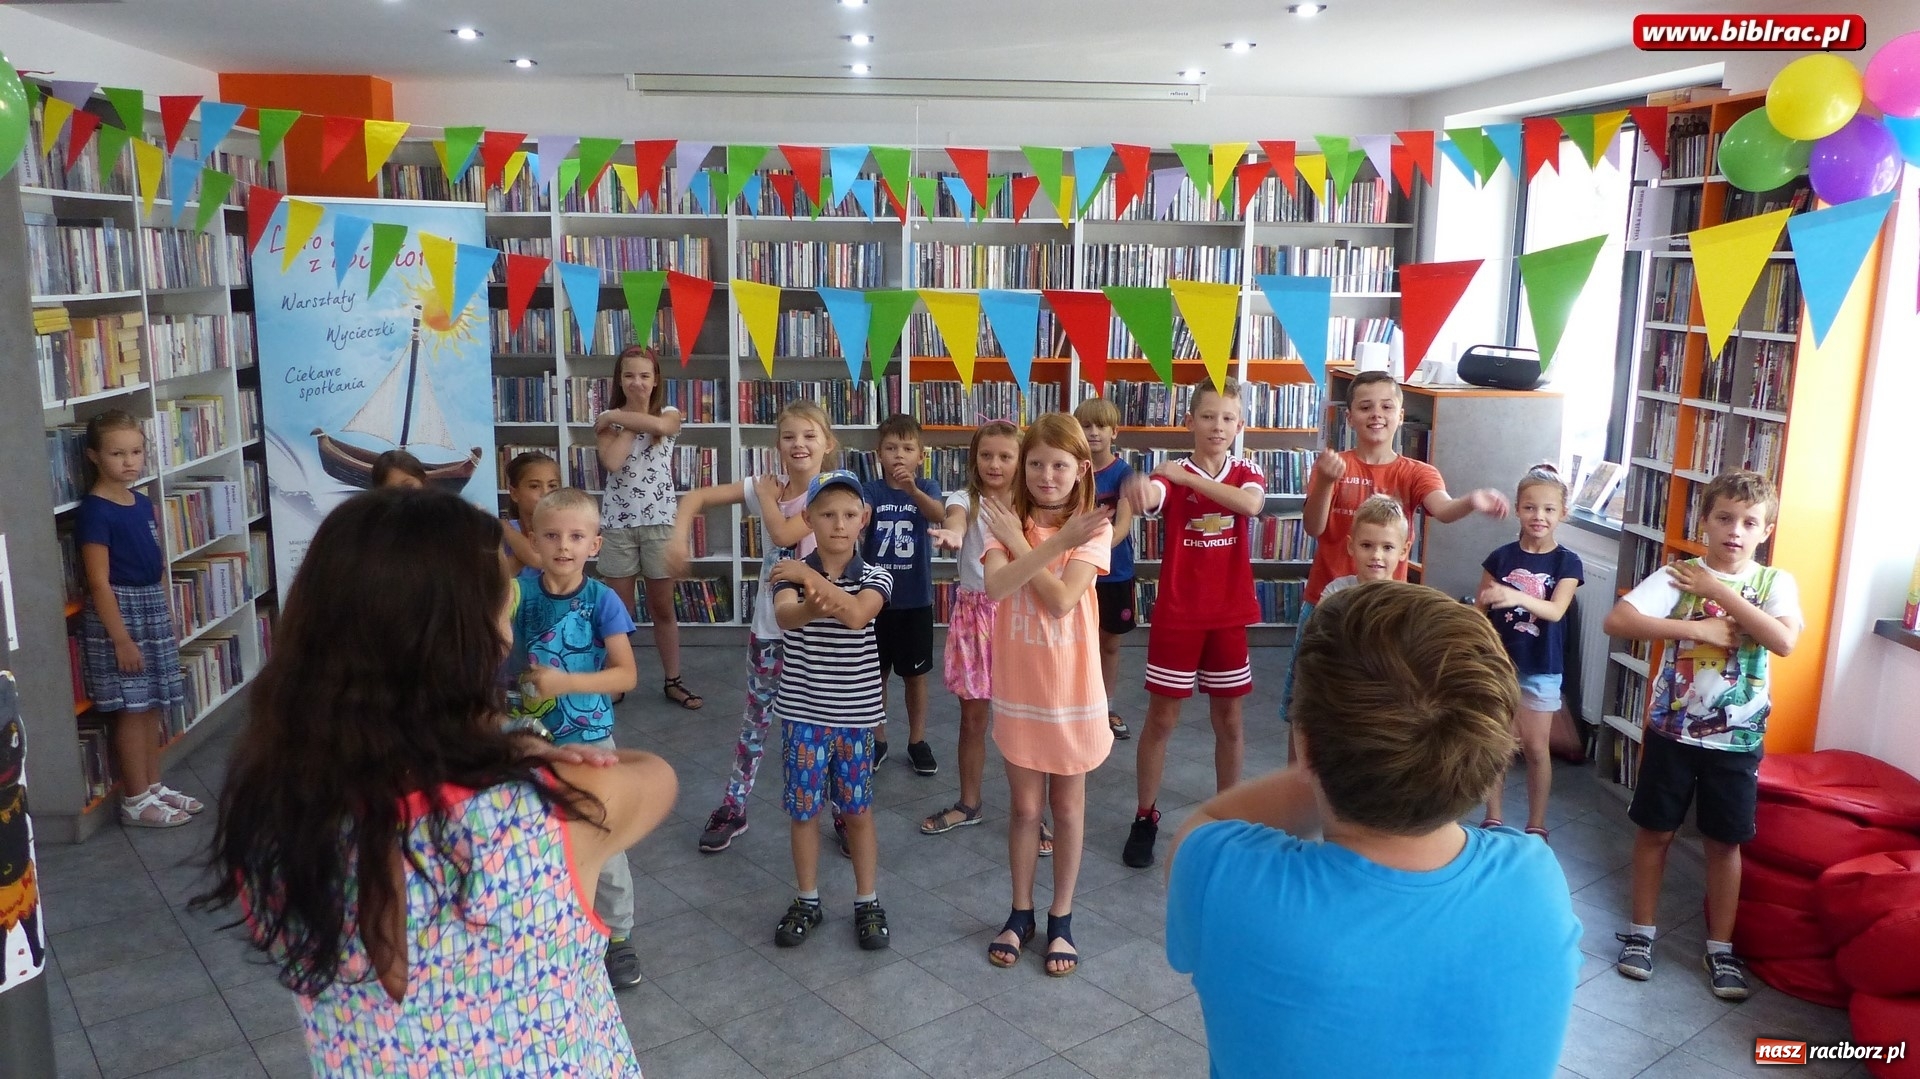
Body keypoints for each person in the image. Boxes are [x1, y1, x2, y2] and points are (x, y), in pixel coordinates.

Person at [193, 488, 677, 1077]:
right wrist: (524, 750)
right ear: (479, 639)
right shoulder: (539, 807)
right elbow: (656, 779)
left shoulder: (274, 813)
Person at [1166, 581, 1581, 1078]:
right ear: (1493, 748)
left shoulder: (1224, 878)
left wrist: (1331, 758)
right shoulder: (1536, 883)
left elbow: (1203, 823)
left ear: (1306, 745)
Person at [1603, 469, 1801, 1001]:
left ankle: (1721, 948)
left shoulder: (1773, 584)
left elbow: (1782, 641)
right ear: (1705, 521)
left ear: (1765, 529)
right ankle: (1641, 934)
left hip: (1736, 743)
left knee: (1724, 843)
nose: (1735, 530)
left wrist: (1720, 593)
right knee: (1655, 832)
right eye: (1724, 518)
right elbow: (1618, 621)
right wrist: (1696, 626)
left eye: (1749, 522)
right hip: (1673, 732)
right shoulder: (1680, 576)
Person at [1283, 370, 1511, 713]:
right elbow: (1314, 527)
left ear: (1400, 416)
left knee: (1379, 703)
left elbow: (1443, 509)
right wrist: (1328, 481)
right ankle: (1301, 768)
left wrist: (1472, 500)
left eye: (1387, 406)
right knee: (1310, 703)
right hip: (1326, 602)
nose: (1377, 414)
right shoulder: (1333, 466)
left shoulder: (1416, 472)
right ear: (1349, 417)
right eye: (1365, 407)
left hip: (1385, 607)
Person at [981, 414, 1113, 977]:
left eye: (1059, 465)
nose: (1045, 475)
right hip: (1020, 685)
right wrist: (1025, 539)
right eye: (1035, 463)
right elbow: (996, 586)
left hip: (1073, 688)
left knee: (1067, 807)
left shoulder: (1093, 527)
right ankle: (1021, 911)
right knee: (1025, 808)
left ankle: (1061, 917)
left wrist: (1032, 543)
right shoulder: (1002, 520)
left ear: (1080, 468)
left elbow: (1062, 601)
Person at [1117, 380, 1267, 869]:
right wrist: (1146, 488)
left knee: (1229, 721)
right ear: (1190, 421)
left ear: (1239, 425)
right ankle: (1144, 816)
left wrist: (1186, 479)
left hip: (1229, 617)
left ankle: (1227, 816)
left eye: (1227, 418)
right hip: (1178, 616)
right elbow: (1154, 494)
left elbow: (1249, 505)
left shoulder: (1247, 471)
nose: (1217, 426)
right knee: (1162, 719)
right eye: (1207, 416)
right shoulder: (1169, 475)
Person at [673, 401, 833, 853]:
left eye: (809, 435)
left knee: (826, 725)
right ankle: (734, 806)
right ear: (777, 445)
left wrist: (765, 497)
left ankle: (841, 812)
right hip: (769, 631)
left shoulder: (835, 488)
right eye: (788, 436)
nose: (798, 444)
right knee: (756, 720)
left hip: (821, 632)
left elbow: (783, 535)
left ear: (827, 442)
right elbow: (695, 497)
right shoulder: (768, 485)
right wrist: (679, 534)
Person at [507, 487, 644, 989]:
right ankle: (551, 928)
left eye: (576, 536)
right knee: (536, 838)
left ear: (595, 545)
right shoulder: (517, 593)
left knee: (602, 840)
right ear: (532, 541)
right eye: (551, 535)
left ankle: (619, 934)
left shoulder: (601, 600)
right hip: (527, 738)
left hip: (590, 740)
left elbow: (625, 675)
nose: (563, 546)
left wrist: (567, 683)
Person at [769, 470, 895, 951]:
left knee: (858, 811)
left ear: (863, 518)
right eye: (826, 514)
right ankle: (807, 899)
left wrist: (813, 585)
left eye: (848, 514)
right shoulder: (787, 568)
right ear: (808, 519)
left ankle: (867, 899)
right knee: (804, 813)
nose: (838, 524)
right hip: (802, 715)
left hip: (857, 717)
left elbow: (861, 613)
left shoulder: (876, 573)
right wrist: (809, 594)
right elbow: (786, 616)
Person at [75, 410, 197, 828]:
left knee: (152, 706)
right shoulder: (95, 510)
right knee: (131, 707)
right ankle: (135, 798)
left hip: (151, 607)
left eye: (136, 451)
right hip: (121, 614)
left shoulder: (142, 501)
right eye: (117, 453)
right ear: (94, 456)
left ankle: (154, 785)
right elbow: (98, 581)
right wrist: (121, 639)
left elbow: (158, 563)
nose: (129, 461)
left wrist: (167, 610)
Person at [922, 419, 1024, 839]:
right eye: (986, 455)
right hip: (975, 617)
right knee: (973, 720)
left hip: (1020, 614)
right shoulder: (966, 498)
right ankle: (970, 803)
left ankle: (1033, 814)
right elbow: (958, 518)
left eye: (1005, 456)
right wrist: (952, 532)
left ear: (1021, 459)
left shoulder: (1030, 502)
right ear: (973, 459)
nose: (994, 464)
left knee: (1024, 724)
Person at [1476, 465, 1583, 840]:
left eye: (1549, 509)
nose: (1539, 516)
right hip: (1500, 667)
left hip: (1542, 667)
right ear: (1518, 509)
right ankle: (1493, 816)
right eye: (1530, 507)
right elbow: (1480, 614)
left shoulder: (1567, 563)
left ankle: (1536, 822)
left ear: (1562, 514)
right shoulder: (1499, 559)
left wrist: (1514, 595)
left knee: (1537, 748)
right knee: (1498, 744)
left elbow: (1555, 610)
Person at [595, 344, 701, 711]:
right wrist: (623, 418)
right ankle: (618, 679)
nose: (637, 382)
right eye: (629, 375)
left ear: (656, 380)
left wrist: (622, 416)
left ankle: (673, 680)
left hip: (659, 524)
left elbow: (659, 426)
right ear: (619, 379)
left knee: (662, 608)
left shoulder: (669, 413)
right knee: (617, 612)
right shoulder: (607, 420)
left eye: (644, 375)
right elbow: (611, 461)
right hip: (618, 527)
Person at [862, 413, 945, 774]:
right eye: (891, 448)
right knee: (873, 675)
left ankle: (917, 739)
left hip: (914, 600)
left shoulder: (926, 487)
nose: (899, 455)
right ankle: (877, 738)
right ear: (878, 454)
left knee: (916, 675)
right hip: (874, 599)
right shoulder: (870, 490)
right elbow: (859, 514)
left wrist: (911, 490)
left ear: (920, 455)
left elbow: (940, 514)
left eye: (907, 448)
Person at [1076, 397, 1137, 741]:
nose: (1093, 432)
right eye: (1086, 425)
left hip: (1114, 573)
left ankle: (1106, 706)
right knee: (1078, 641)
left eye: (1100, 426)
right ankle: (1080, 703)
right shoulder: (1072, 468)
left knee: (1109, 644)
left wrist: (1094, 550)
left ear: (1115, 432)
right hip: (1077, 573)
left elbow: (1124, 525)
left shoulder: (1123, 473)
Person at [1317, 493, 1410, 599]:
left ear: (1403, 551)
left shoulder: (1407, 600)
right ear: (1351, 546)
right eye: (1366, 545)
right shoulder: (1336, 592)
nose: (1376, 556)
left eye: (1387, 547)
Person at [500, 449, 560, 576]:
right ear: (514, 493)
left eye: (552, 486)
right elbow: (500, 576)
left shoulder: (564, 529)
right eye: (534, 486)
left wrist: (507, 530)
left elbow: (538, 559)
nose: (545, 493)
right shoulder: (500, 535)